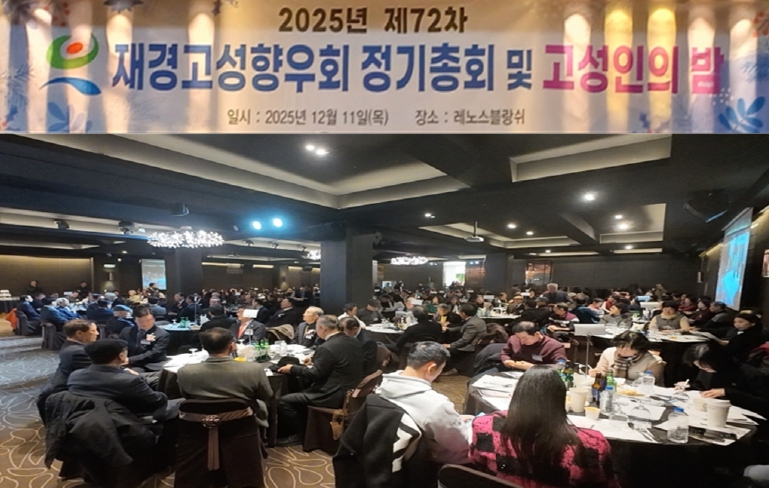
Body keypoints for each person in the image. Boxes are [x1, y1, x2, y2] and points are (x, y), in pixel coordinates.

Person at [470, 366, 619, 487]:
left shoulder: (484, 426)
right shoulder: (590, 443)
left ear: (516, 396)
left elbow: (478, 468)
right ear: (560, 400)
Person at [376, 342, 472, 465]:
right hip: (431, 459)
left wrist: (453, 418)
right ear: (431, 368)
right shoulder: (437, 405)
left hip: (391, 448)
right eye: (441, 369)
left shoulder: (382, 385)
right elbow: (460, 444)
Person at [276, 315, 363, 446]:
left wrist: (292, 368)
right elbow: (338, 360)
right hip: (350, 389)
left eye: (316, 328)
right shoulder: (352, 341)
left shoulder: (327, 347)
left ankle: (300, 434)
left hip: (332, 394)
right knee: (302, 390)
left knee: (283, 401)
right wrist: (315, 359)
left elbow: (315, 374)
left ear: (323, 328)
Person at [177, 327, 273, 425]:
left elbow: (186, 396)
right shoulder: (254, 369)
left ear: (203, 347)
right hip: (243, 423)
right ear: (232, 346)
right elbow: (266, 395)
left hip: (199, 423)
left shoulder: (184, 372)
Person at [67, 339, 171, 420]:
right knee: (177, 403)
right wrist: (163, 394)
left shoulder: (74, 375)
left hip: (93, 419)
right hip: (129, 417)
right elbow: (157, 400)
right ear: (121, 356)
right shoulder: (130, 381)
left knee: (154, 378)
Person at [687, 342, 769, 419]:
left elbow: (763, 403)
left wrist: (728, 392)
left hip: (743, 416)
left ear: (718, 361)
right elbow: (701, 385)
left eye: (705, 366)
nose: (702, 369)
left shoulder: (751, 374)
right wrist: (689, 386)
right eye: (698, 366)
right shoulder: (708, 369)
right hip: (712, 411)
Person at [36, 319, 100, 419]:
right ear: (79, 333)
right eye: (93, 331)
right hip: (67, 388)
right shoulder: (78, 352)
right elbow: (97, 374)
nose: (97, 333)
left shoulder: (70, 345)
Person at [590, 331, 664, 384]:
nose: (623, 350)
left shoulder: (653, 361)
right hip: (611, 387)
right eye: (620, 347)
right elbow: (601, 370)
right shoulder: (609, 352)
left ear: (639, 348)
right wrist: (597, 373)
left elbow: (650, 383)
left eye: (629, 348)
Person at [701, 312, 768, 363]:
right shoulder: (742, 332)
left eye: (741, 322)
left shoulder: (750, 336)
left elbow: (730, 351)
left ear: (752, 323)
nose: (737, 324)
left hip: (736, 360)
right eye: (735, 322)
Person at [118, 306, 170, 372]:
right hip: (126, 362)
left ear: (154, 319)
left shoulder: (162, 334)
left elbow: (153, 353)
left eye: (148, 320)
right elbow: (120, 347)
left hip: (148, 364)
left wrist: (130, 360)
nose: (144, 323)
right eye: (140, 321)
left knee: (129, 374)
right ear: (135, 320)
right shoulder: (126, 331)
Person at [501, 322, 567, 370]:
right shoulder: (513, 339)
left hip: (540, 374)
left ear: (537, 334)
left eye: (525, 338)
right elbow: (505, 353)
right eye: (518, 338)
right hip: (514, 371)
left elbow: (560, 366)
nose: (522, 341)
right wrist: (506, 360)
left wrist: (533, 367)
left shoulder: (555, 346)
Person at [443, 304, 487, 375]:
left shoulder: (472, 324)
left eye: (459, 312)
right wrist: (448, 329)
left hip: (470, 347)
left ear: (463, 313)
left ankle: (451, 368)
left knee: (444, 349)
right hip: (475, 343)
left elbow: (465, 340)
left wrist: (450, 345)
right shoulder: (476, 319)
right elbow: (463, 328)